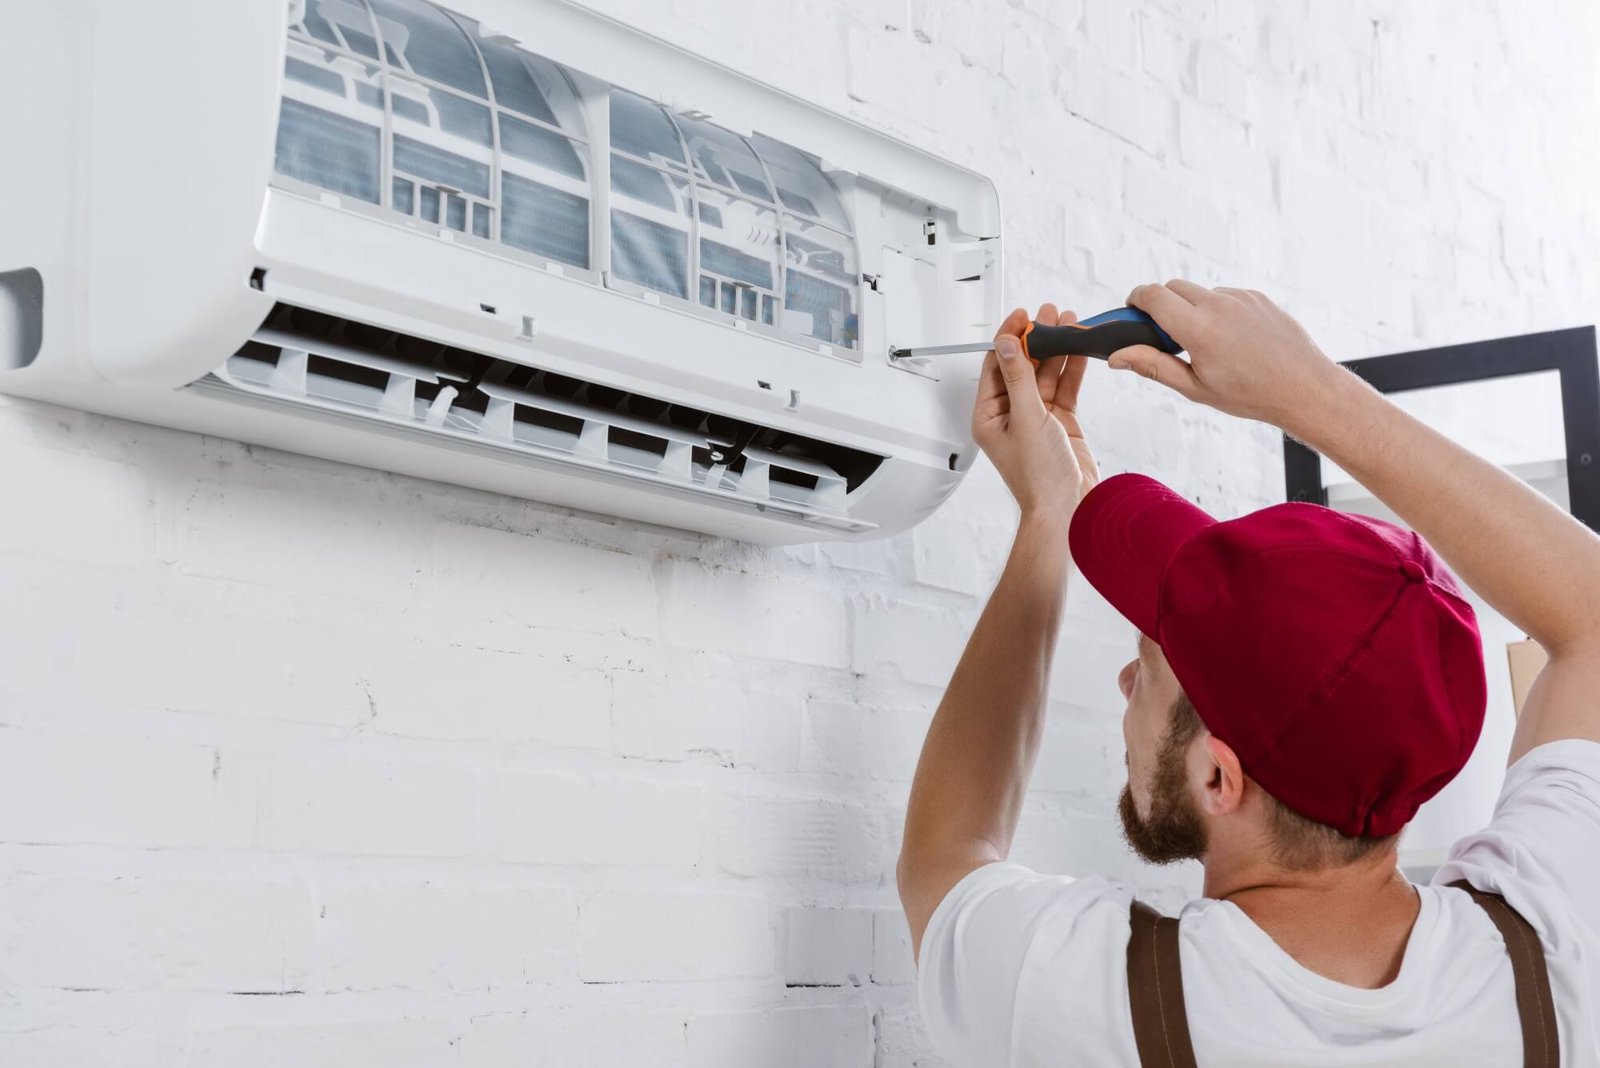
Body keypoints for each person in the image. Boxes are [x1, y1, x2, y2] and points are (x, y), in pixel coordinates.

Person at [897, 281, 1599, 1065]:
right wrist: (1312, 390)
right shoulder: (1554, 956)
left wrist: (1047, 514)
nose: (1125, 683)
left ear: (1219, 778)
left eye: (1149, 666)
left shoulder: (1090, 1000)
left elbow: (944, 857)